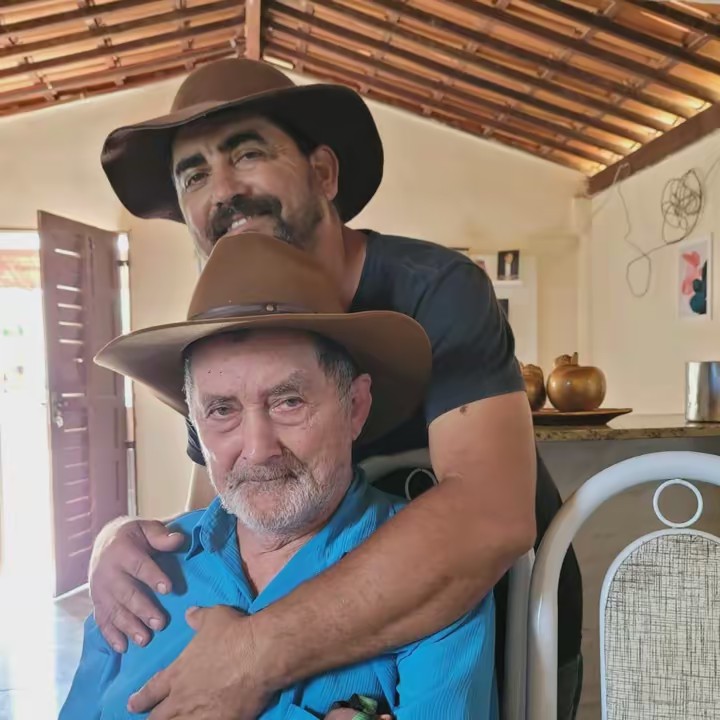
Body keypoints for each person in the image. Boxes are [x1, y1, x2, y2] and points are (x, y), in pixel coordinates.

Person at [92, 58, 583, 719]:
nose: (223, 190)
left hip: (491, 621)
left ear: (323, 173)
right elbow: (226, 507)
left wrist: (254, 654)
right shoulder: (222, 330)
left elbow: (489, 516)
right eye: (194, 175)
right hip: (328, 647)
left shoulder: (436, 290)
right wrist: (115, 541)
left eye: (247, 154)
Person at [61, 234, 497, 719]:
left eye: (289, 402)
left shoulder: (435, 574)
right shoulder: (135, 573)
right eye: (222, 410)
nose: (257, 449)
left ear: (355, 407)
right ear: (196, 425)